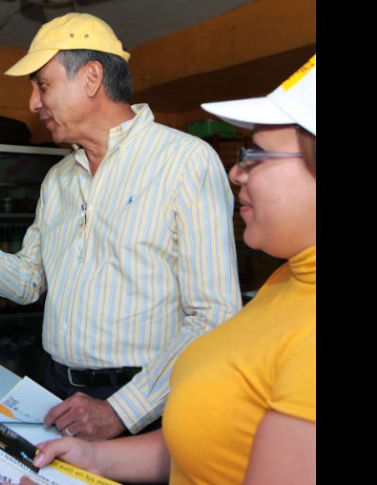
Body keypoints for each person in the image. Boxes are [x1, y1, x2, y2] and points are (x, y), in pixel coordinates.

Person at [0, 12, 241, 440]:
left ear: (91, 78)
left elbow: (215, 314)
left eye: (42, 85)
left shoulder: (186, 161)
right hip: (56, 386)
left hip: (146, 400)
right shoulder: (59, 179)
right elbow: (30, 283)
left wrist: (121, 411)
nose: (33, 103)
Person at [22, 55, 316, 485]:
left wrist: (121, 412)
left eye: (258, 155)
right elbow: (210, 440)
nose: (236, 172)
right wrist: (95, 459)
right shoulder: (285, 282)